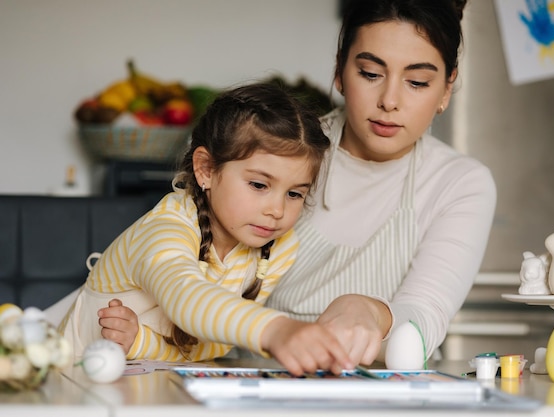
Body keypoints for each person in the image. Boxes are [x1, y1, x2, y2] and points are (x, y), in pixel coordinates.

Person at [100, 0, 496, 367]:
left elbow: (425, 317)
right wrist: (276, 333)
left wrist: (372, 311)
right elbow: (188, 290)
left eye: (418, 82)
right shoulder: (281, 153)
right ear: (340, 72)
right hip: (248, 379)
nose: (390, 100)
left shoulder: (460, 184)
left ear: (446, 88)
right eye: (371, 74)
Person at [59, 82, 354, 376]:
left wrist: (141, 343)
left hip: (147, 390)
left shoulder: (279, 246)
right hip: (65, 383)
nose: (277, 211)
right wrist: (273, 329)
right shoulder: (166, 228)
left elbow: (212, 346)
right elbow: (188, 299)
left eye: (294, 194)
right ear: (206, 169)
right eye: (259, 185)